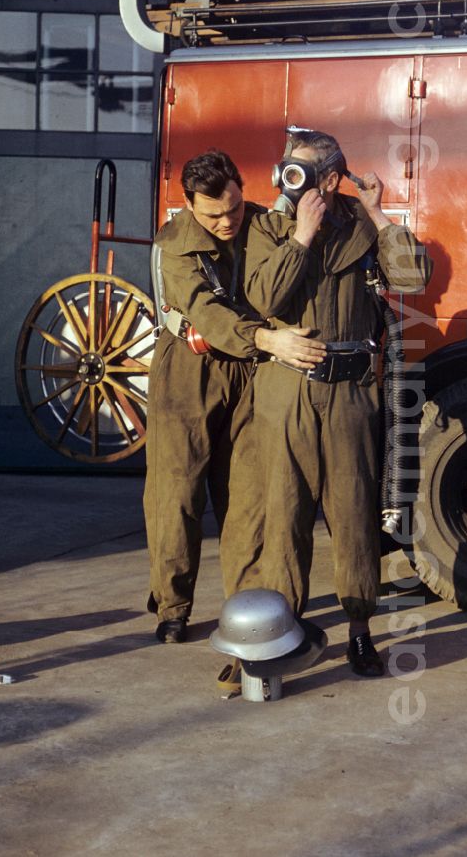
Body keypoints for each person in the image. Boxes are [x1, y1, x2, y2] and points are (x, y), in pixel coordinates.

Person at [244, 129, 432, 676]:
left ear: (330, 178)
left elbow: (415, 277)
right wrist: (300, 236)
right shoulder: (267, 225)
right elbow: (264, 299)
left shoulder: (358, 223)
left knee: (353, 514)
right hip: (286, 392)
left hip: (349, 391)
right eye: (286, 169)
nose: (288, 180)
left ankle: (358, 630)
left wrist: (377, 212)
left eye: (303, 171)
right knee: (284, 515)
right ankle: (282, 630)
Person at [144, 149, 327, 644]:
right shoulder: (176, 243)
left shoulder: (263, 224)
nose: (227, 222)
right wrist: (269, 339)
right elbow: (208, 314)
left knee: (247, 496)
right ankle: (173, 604)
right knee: (176, 493)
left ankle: (245, 603)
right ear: (189, 204)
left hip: (249, 371)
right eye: (213, 214)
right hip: (189, 369)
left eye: (235, 209)